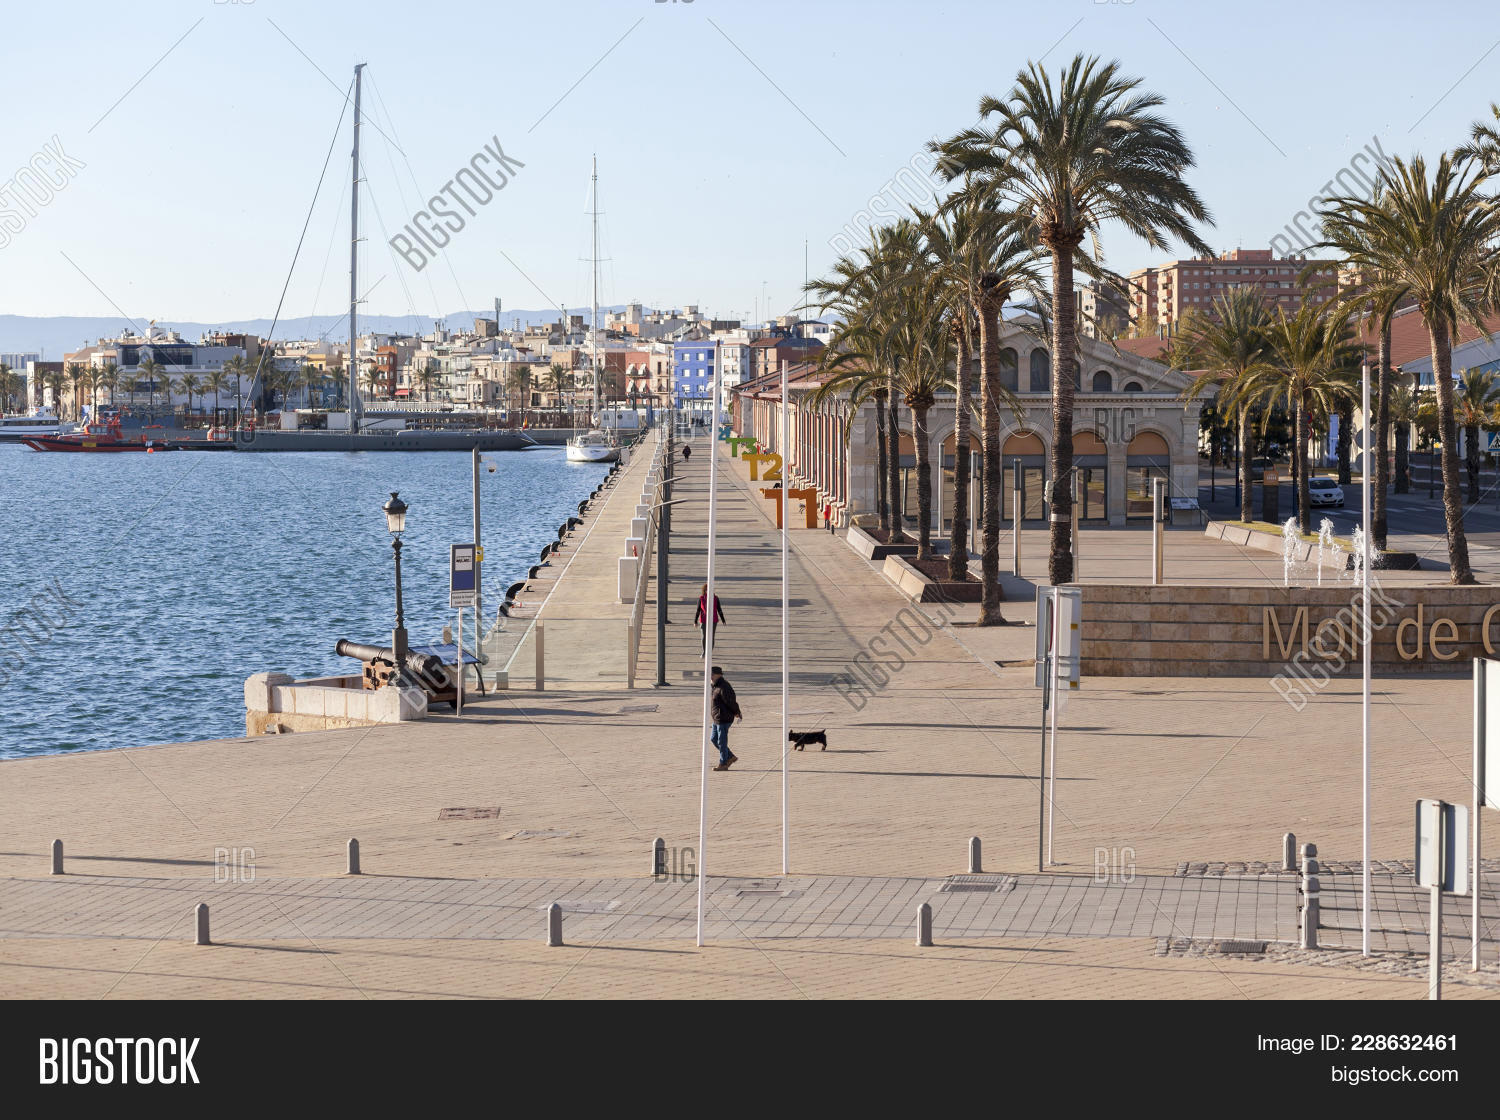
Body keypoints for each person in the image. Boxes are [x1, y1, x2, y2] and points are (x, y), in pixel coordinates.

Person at [709, 666, 741, 770]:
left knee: (721, 742)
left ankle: (723, 763)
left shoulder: (724, 686)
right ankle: (730, 756)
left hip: (723, 718)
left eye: (712, 674)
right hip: (717, 718)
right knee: (713, 739)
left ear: (719, 675)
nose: (711, 676)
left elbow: (731, 701)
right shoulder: (715, 685)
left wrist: (737, 712)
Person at [695, 582, 725, 653]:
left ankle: (709, 652)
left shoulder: (716, 598)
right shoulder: (701, 599)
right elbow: (698, 610)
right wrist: (695, 621)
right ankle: (704, 651)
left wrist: (723, 619)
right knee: (704, 637)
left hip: (713, 620)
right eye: (707, 590)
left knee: (711, 637)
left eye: (711, 589)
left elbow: (719, 609)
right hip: (703, 620)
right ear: (705, 590)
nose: (709, 591)